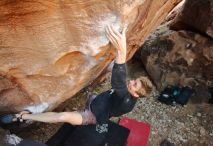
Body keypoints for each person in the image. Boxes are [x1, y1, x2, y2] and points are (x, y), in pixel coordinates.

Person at [1, 25, 153, 145]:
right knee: (96, 89)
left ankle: (23, 116)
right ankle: (91, 99)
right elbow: (119, 80)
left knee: (63, 116)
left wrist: (122, 52)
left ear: (136, 95)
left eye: (134, 85)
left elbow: (119, 84)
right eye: (134, 81)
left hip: (93, 116)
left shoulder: (126, 102)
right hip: (98, 103)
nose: (131, 82)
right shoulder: (128, 92)